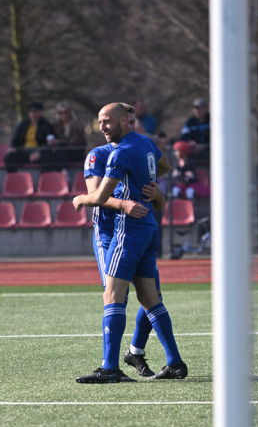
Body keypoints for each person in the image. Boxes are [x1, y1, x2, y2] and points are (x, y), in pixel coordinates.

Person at [72, 102, 187, 383]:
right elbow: (100, 192)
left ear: (127, 121)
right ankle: (160, 360)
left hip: (127, 231)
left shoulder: (127, 150)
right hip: (111, 233)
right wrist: (125, 202)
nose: (103, 127)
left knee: (119, 297)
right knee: (144, 297)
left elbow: (95, 197)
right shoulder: (98, 155)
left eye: (108, 121)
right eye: (100, 122)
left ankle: (112, 366)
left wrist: (79, 200)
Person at [3, 101, 55, 172]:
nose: (32, 113)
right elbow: (16, 139)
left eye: (35, 110)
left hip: (39, 152)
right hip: (25, 152)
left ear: (40, 112)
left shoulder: (46, 125)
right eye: (30, 111)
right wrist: (12, 147)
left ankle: (43, 180)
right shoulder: (23, 124)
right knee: (9, 158)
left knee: (49, 158)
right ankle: (14, 179)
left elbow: (50, 143)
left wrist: (39, 153)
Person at [48, 102, 88, 172]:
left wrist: (60, 142)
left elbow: (77, 141)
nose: (63, 114)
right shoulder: (56, 125)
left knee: (61, 148)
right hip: (61, 154)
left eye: (65, 112)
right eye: (60, 112)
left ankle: (64, 172)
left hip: (76, 152)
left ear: (69, 112)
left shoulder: (76, 124)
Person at [180, 97, 211, 163]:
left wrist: (205, 146)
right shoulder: (190, 122)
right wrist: (189, 142)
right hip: (194, 151)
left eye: (200, 108)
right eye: (195, 108)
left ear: (206, 108)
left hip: (211, 150)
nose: (197, 110)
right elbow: (184, 136)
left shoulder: (213, 119)